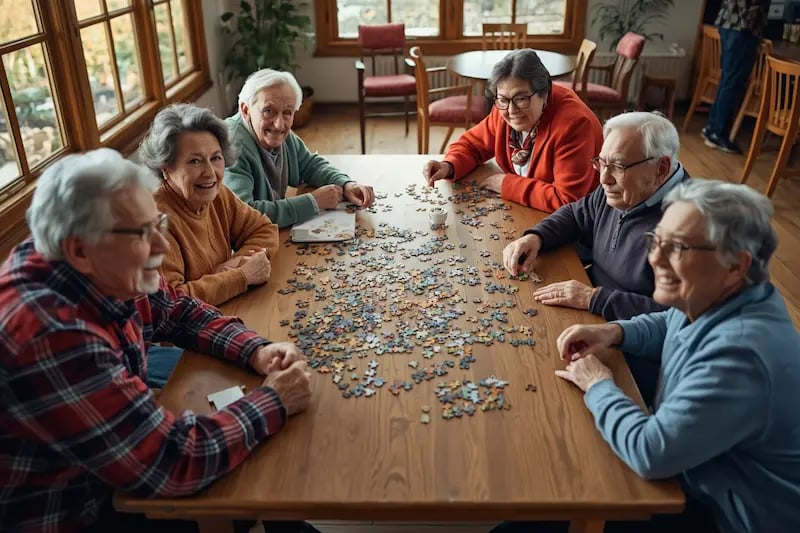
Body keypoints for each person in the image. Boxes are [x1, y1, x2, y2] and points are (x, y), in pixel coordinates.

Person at [0, 149, 314, 532]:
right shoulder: (51, 333)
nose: (161, 247)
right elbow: (172, 462)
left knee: (254, 470)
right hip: (75, 510)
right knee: (245, 470)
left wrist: (256, 349)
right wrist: (276, 399)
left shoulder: (101, 263)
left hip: (107, 469)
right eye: (141, 234)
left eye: (157, 224)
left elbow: (178, 310)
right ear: (79, 250)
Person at [497, 180, 800, 533]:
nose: (655, 258)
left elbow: (651, 452)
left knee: (544, 504)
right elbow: (670, 322)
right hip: (697, 470)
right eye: (656, 241)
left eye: (679, 248)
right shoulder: (725, 294)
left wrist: (599, 386)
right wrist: (615, 332)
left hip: (725, 515)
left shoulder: (741, 355)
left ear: (736, 266)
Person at [502, 112, 687, 321]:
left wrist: (594, 298)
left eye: (618, 166)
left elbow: (681, 319)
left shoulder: (692, 227)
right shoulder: (623, 190)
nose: (604, 179)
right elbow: (575, 214)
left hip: (625, 335)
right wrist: (537, 236)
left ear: (661, 168)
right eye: (601, 163)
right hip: (589, 305)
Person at [422, 48, 603, 212]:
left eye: (521, 99)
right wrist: (448, 166)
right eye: (502, 99)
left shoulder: (574, 125)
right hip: (530, 209)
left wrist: (505, 184)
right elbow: (472, 145)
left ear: (545, 94)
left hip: (579, 222)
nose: (511, 111)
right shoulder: (504, 108)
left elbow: (567, 200)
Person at [140, 103, 279, 307]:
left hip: (225, 311)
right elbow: (171, 303)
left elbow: (264, 229)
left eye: (215, 158)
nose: (210, 172)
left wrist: (234, 264)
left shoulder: (217, 194)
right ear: (166, 168)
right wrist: (240, 276)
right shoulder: (156, 222)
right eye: (195, 161)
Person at [224, 68, 375, 228]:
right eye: (268, 111)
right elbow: (243, 216)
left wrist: (346, 184)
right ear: (245, 110)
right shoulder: (231, 145)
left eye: (287, 112)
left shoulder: (280, 133)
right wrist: (312, 202)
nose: (279, 124)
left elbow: (310, 164)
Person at [702, 0, 770, 153]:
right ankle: (719, 133)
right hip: (742, 29)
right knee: (732, 83)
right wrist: (753, 26)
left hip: (729, 24)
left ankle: (712, 128)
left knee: (727, 81)